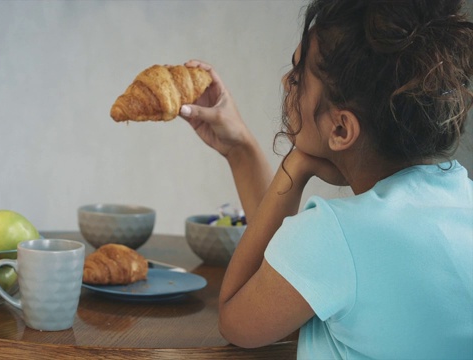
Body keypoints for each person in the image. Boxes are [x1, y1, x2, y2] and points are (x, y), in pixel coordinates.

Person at [179, 0, 473, 358]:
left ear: (340, 127)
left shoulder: (335, 236)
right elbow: (282, 269)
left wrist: (297, 165)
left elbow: (236, 319)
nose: (286, 81)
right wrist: (240, 148)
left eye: (299, 76)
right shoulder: (463, 201)